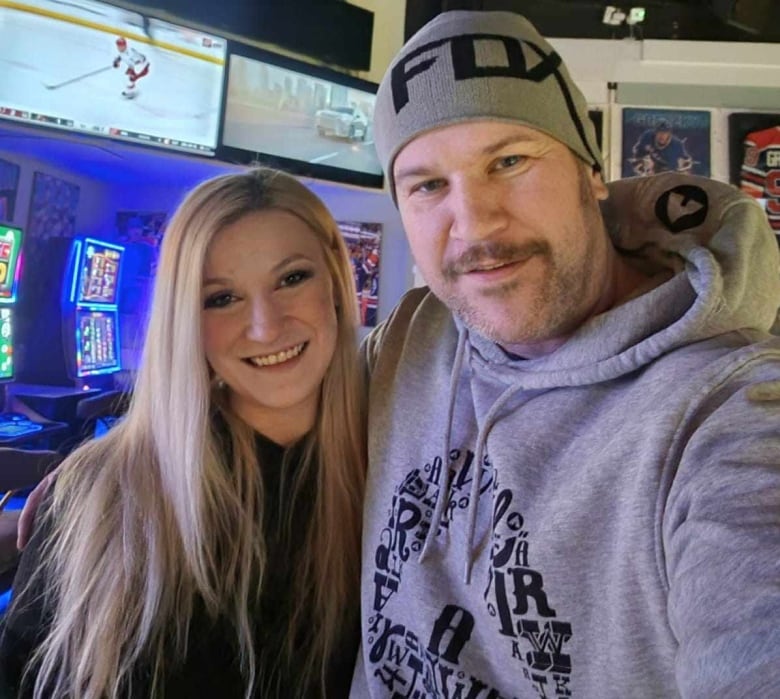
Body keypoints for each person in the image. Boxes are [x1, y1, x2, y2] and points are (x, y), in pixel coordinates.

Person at [351, 10, 780, 697]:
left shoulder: (727, 411)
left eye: (510, 160)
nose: (477, 223)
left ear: (591, 170)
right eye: (428, 184)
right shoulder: (414, 332)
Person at [0, 168, 365, 698]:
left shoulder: (392, 471)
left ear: (334, 280)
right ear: (185, 319)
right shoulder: (100, 496)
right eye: (222, 298)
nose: (265, 326)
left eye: (292, 278)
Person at [113, 36, 150, 100]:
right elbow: (120, 57)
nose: (119, 48)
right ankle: (131, 90)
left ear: (125, 45)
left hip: (142, 68)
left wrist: (138, 63)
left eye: (120, 46)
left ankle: (131, 92)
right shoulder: (122, 52)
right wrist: (117, 61)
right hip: (134, 67)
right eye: (118, 46)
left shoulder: (131, 52)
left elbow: (142, 58)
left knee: (130, 79)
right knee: (128, 77)